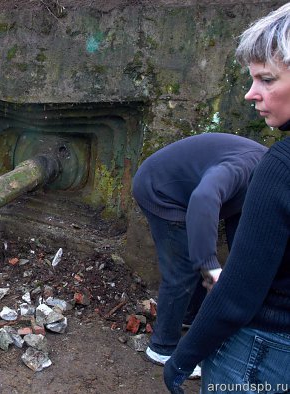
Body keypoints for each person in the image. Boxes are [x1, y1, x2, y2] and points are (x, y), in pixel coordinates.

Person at [163, 4, 290, 393]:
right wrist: (210, 265)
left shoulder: (276, 167)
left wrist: (182, 359)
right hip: (161, 192)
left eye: (266, 79)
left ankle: (163, 346)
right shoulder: (259, 166)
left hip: (262, 351)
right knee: (177, 266)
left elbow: (206, 202)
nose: (251, 94)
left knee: (185, 270)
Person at [132, 131, 268, 378]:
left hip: (181, 191)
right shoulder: (246, 166)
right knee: (182, 269)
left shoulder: (262, 180)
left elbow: (241, 226)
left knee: (193, 259)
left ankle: (187, 316)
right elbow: (204, 198)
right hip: (159, 190)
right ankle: (163, 348)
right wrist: (210, 266)